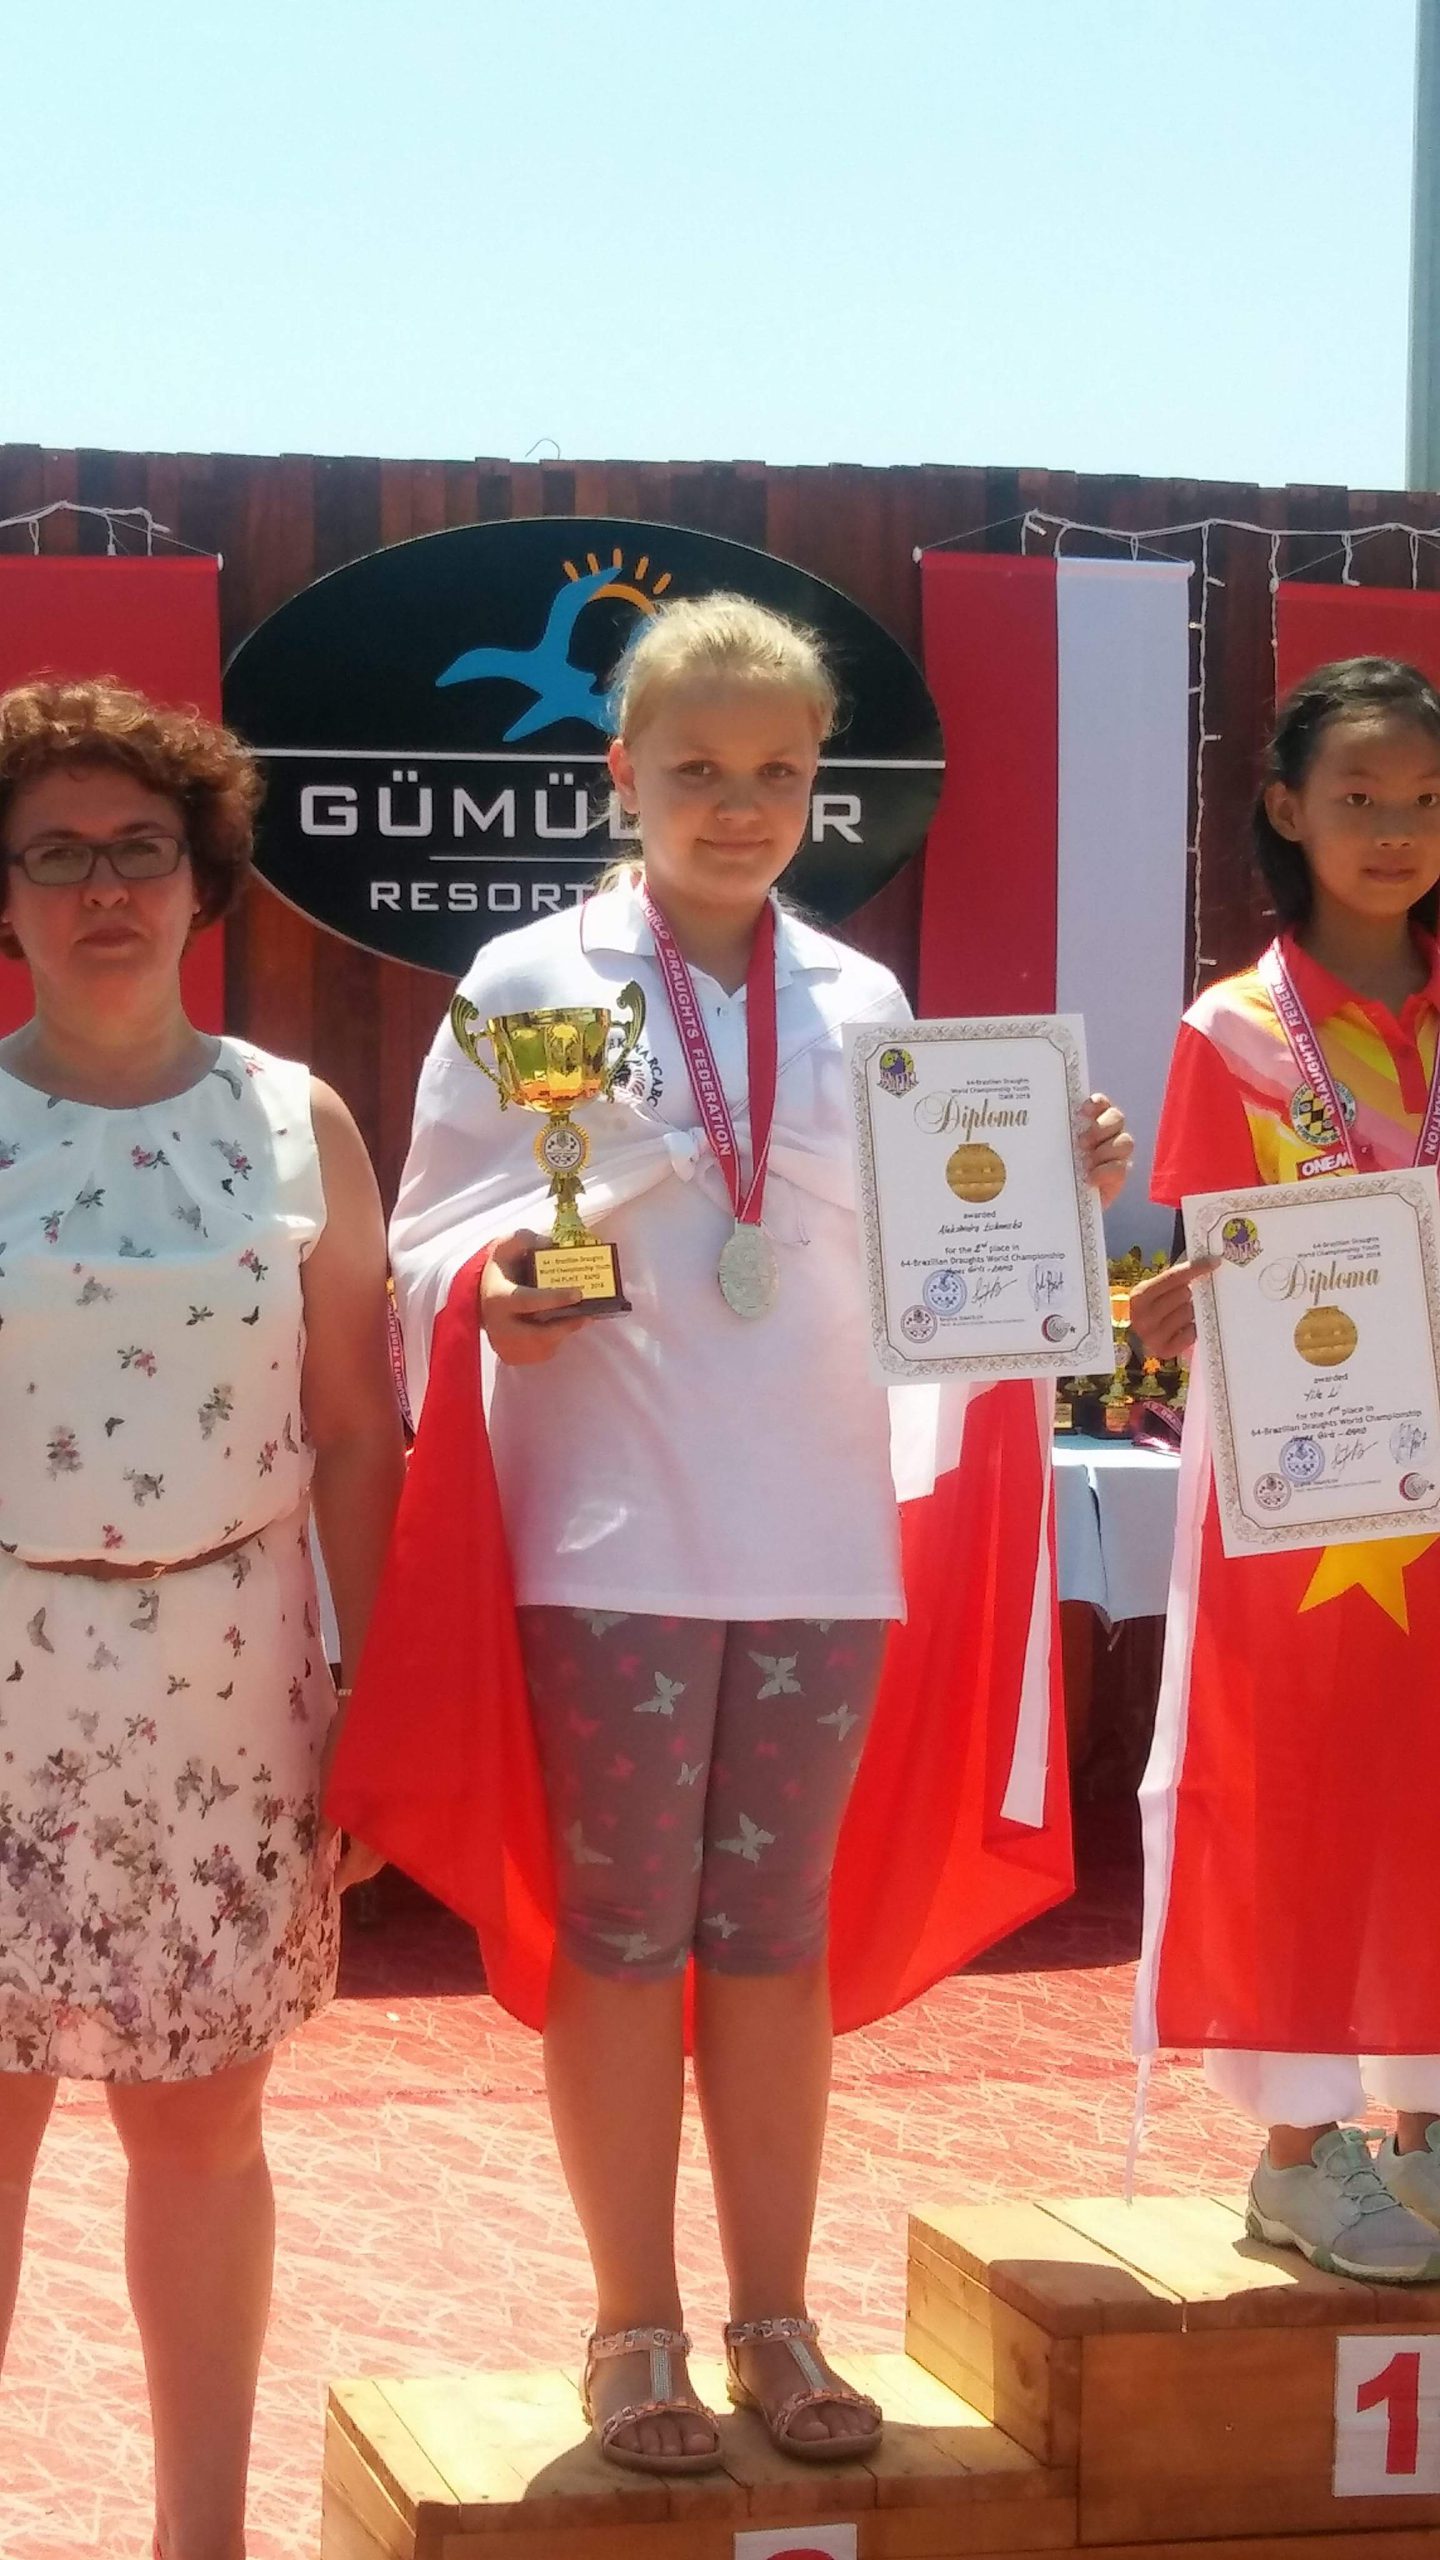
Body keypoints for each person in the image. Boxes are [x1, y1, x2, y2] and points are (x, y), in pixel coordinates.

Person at [332, 593, 1131, 2473]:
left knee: (775, 1931)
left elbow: (939, 1271)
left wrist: (1046, 1184)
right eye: (696, 768)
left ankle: (778, 2315)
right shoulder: (528, 980)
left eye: (777, 772)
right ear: (623, 773)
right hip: (606, 1530)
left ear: (817, 786)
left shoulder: (866, 1006)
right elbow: (425, 1242)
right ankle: (634, 2326)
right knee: (622, 1928)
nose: (739, 804)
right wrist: (495, 1286)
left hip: (821, 1536)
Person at [0, 679, 406, 2560]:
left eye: (140, 849)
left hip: (232, 1697)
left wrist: (376, 1699)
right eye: (57, 854)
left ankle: (203, 2544)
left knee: (199, 2137)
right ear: (6, 896)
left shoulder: (296, 1122)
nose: (105, 888)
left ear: (201, 877)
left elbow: (355, 1430)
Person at [1130, 655, 1440, 2283]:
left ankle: (1428, 2125)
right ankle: (1299, 2152)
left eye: (1426, 799)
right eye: (1359, 797)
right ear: (1286, 810)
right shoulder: (1234, 1031)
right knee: (1302, 1785)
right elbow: (1212, 1258)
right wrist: (1186, 1299)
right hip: (1300, 1488)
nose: (1395, 831)